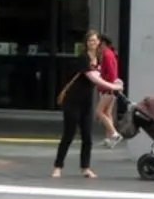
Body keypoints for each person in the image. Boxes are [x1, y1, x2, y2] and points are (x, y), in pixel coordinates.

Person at [52, 31, 123, 179]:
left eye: (94, 40)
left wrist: (115, 82)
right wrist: (113, 86)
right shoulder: (83, 58)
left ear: (99, 42)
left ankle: (85, 168)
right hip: (72, 101)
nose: (92, 43)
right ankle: (58, 167)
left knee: (87, 137)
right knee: (68, 135)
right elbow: (94, 78)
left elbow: (102, 76)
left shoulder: (99, 58)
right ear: (86, 43)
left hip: (85, 101)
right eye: (89, 41)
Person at [96, 34, 122, 146]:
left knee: (99, 111)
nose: (98, 46)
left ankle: (114, 134)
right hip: (112, 88)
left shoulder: (107, 55)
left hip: (108, 89)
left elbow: (111, 74)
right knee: (107, 112)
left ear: (103, 44)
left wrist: (104, 82)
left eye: (99, 44)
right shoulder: (110, 54)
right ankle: (109, 139)